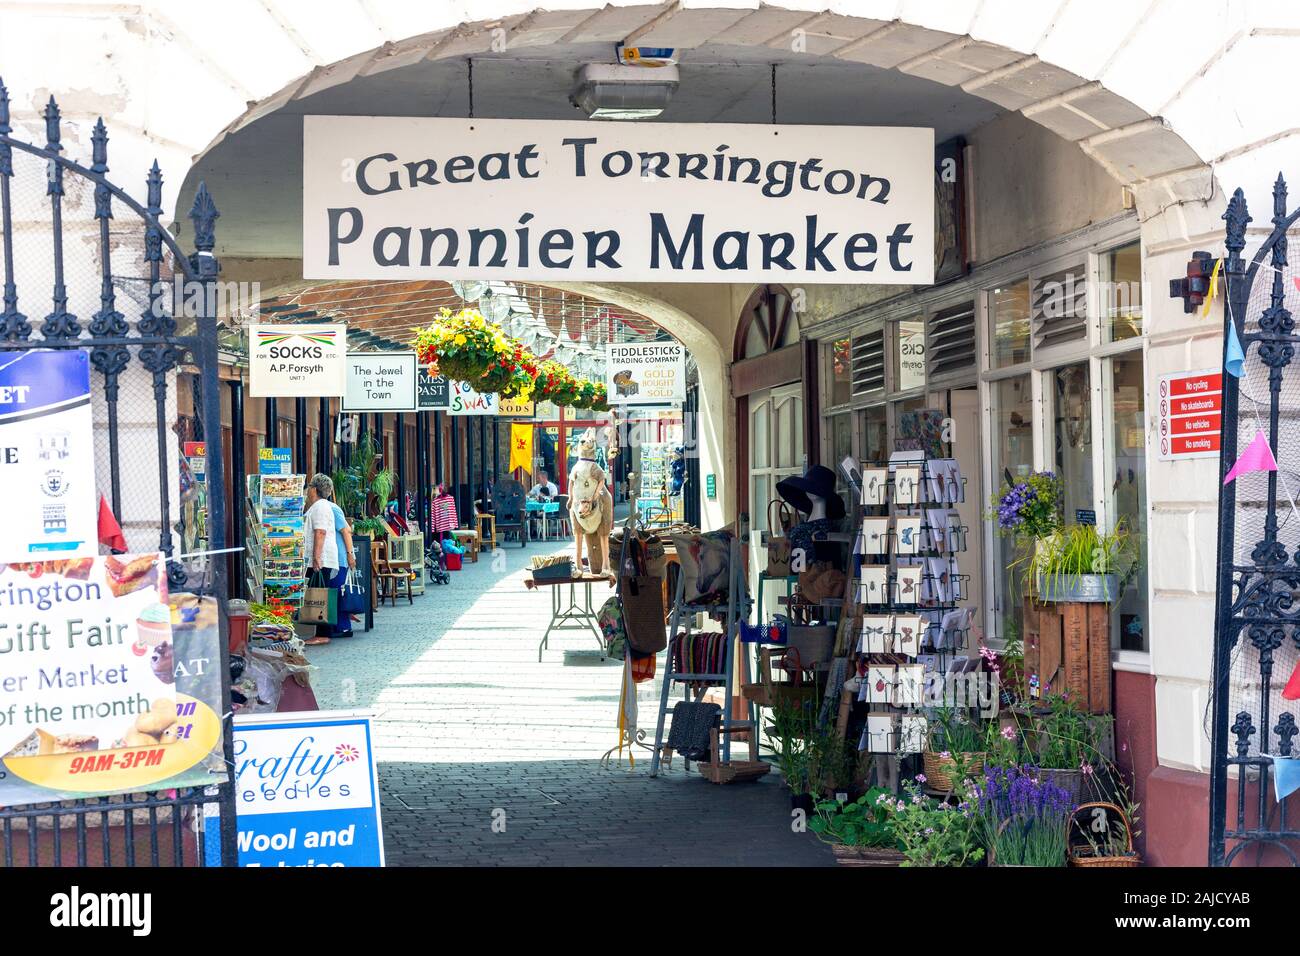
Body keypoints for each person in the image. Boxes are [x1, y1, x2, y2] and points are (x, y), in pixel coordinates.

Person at [302, 473, 341, 647]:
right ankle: (321, 632)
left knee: (320, 594)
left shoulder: (320, 507)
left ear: (314, 489)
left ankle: (323, 633)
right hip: (320, 557)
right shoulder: (320, 506)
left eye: (309, 486)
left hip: (321, 558)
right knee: (320, 593)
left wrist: (316, 557)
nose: (307, 490)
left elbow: (320, 531)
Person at [329, 491, 357, 637]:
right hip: (334, 558)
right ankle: (338, 626)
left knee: (338, 592)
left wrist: (350, 554)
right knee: (336, 591)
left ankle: (344, 627)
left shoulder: (332, 509)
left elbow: (347, 531)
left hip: (339, 558)